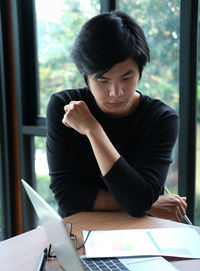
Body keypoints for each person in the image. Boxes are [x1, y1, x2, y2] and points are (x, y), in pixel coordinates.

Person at [46, 10, 187, 222]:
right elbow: (67, 196)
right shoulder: (65, 108)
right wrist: (148, 203)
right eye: (103, 81)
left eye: (126, 77)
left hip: (140, 233)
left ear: (140, 72)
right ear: (86, 77)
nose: (116, 92)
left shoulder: (162, 119)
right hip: (79, 232)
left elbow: (138, 202)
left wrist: (93, 130)